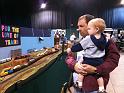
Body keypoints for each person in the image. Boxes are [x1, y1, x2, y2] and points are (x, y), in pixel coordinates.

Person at [66, 14, 120, 93]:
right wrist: (74, 65)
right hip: (78, 85)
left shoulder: (106, 41)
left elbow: (113, 60)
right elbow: (69, 58)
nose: (78, 29)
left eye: (81, 26)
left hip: (94, 88)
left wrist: (96, 69)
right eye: (78, 26)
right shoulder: (78, 42)